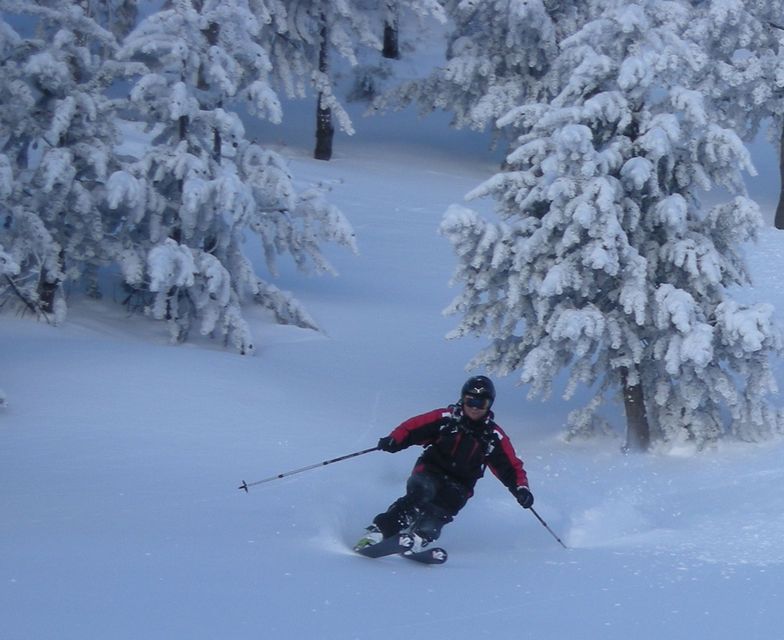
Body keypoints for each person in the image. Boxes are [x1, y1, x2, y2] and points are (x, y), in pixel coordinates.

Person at [354, 375, 534, 552]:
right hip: (430, 470)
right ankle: (379, 532)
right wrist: (395, 440)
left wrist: (520, 489)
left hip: (461, 483)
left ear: (489, 405)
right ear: (462, 399)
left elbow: (510, 467)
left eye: (481, 403)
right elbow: (413, 427)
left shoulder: (493, 436)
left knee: (445, 506)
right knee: (420, 494)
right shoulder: (446, 418)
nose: (474, 408)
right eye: (470, 401)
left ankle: (419, 537)